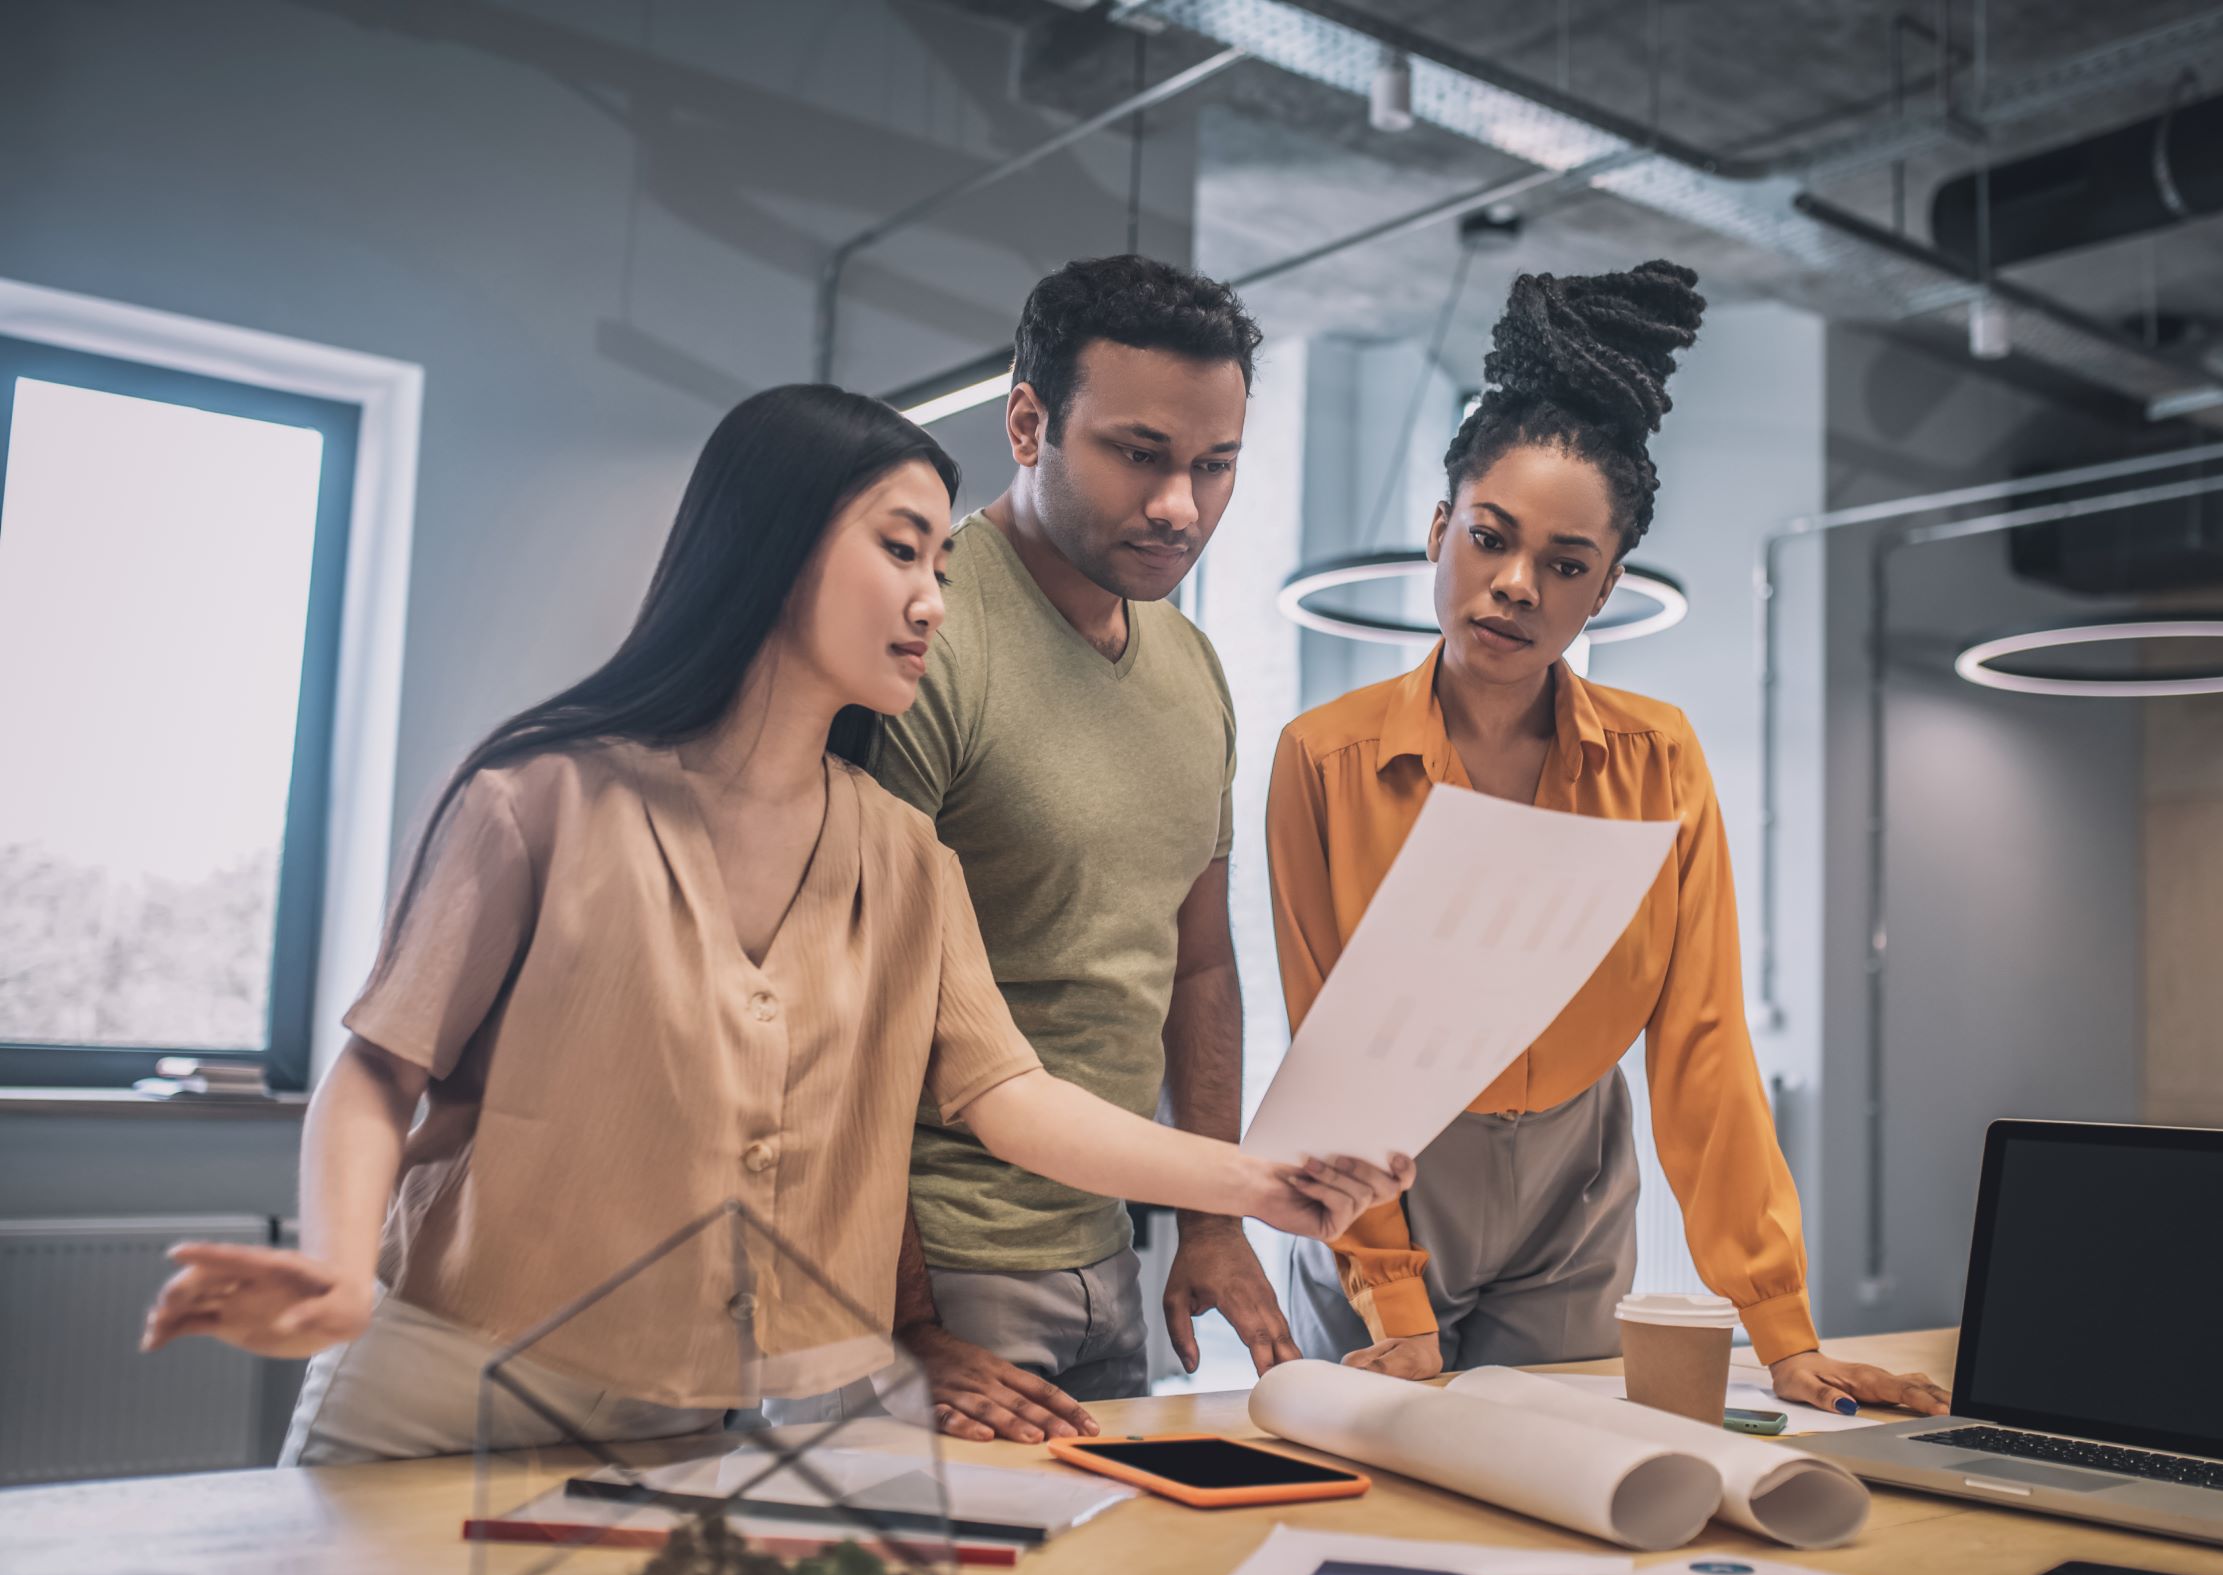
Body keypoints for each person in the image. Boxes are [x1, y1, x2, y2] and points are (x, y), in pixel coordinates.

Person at [137, 384, 1409, 1463]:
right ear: (775, 544)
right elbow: (379, 1062)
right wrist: (344, 1269)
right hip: (443, 1393)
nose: (931, 599)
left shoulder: (901, 853)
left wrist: (1258, 1185)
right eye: (899, 550)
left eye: (942, 566)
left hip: (695, 1422)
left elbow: (1011, 1097)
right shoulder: (543, 795)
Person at [1264, 266, 1946, 1418]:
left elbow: (1703, 1048)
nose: (1514, 586)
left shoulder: (1658, 759)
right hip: (1380, 1182)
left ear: (1605, 590)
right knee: (1367, 1502)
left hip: (1578, 1182)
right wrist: (1391, 1296)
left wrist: (1781, 1330)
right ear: (1439, 531)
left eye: (1566, 566)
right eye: (1489, 539)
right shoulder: (1322, 760)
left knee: (1554, 1498)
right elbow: (1325, 1047)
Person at [870, 256, 1291, 1444]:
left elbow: (1196, 964)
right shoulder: (923, 637)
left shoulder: (1193, 669)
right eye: (1139, 453)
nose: (1180, 505)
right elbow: (845, 1014)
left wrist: (1209, 1219)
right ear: (1027, 422)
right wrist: (905, 1324)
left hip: (1110, 1251)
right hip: (940, 1271)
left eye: (1215, 467)